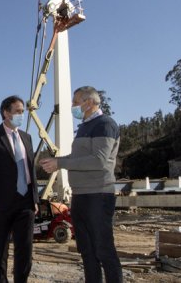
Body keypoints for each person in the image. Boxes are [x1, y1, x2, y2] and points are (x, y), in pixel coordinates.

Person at [39, 86, 122, 283]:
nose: (72, 106)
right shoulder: (85, 126)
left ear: (90, 102)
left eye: (76, 102)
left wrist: (61, 163)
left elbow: (99, 160)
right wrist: (57, 161)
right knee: (87, 251)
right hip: (81, 196)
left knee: (103, 250)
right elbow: (78, 158)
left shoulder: (105, 124)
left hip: (98, 195)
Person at [0, 95, 38, 283]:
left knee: (25, 251)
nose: (22, 115)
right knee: (0, 251)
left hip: (25, 202)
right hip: (0, 204)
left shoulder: (27, 137)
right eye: (18, 111)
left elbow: (31, 169)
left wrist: (35, 198)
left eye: (23, 112)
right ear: (6, 112)